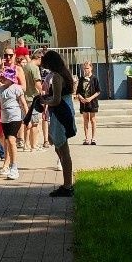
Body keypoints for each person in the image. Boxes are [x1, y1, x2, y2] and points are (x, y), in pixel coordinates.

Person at [40, 50, 76, 197]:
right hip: (65, 110)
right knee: (57, 144)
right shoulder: (65, 74)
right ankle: (67, 184)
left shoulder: (56, 77)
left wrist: (44, 101)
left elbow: (56, 100)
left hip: (61, 111)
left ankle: (68, 186)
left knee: (63, 149)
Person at [0, 68, 28, 180]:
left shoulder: (16, 88)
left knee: (11, 139)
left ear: (11, 79)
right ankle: (10, 166)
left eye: (5, 77)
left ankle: (14, 167)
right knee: (6, 141)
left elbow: (23, 103)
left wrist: (27, 116)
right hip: (4, 117)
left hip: (15, 116)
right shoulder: (1, 90)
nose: (3, 79)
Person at [18, 47, 42, 151]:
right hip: (33, 98)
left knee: (26, 122)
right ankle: (34, 145)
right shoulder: (34, 68)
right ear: (39, 58)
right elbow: (37, 83)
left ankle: (26, 144)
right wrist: (44, 91)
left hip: (24, 97)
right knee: (35, 123)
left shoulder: (25, 67)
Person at [75, 61, 101, 145]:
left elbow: (98, 91)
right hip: (83, 102)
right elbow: (78, 91)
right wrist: (81, 97)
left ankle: (93, 138)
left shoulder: (94, 78)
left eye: (87, 68)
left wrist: (90, 98)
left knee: (92, 119)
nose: (86, 70)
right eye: (84, 68)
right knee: (85, 119)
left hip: (92, 102)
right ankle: (86, 138)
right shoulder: (81, 79)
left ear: (91, 68)